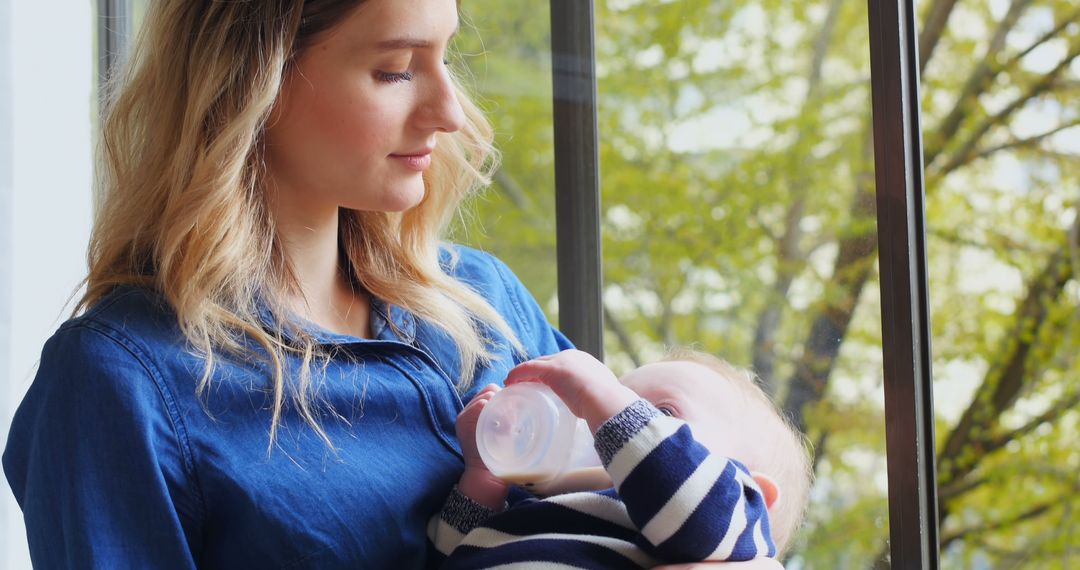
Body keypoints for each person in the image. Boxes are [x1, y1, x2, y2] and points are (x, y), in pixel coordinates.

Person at [2, 1, 786, 568]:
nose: (450, 110)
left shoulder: (484, 304)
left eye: (448, 58)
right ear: (253, 82)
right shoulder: (120, 386)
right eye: (396, 70)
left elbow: (673, 513)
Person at [428, 349, 812, 568]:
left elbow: (688, 500)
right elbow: (449, 557)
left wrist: (605, 397)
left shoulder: (712, 518)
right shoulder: (531, 506)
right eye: (604, 409)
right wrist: (486, 478)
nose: (599, 423)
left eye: (658, 415)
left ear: (752, 497)